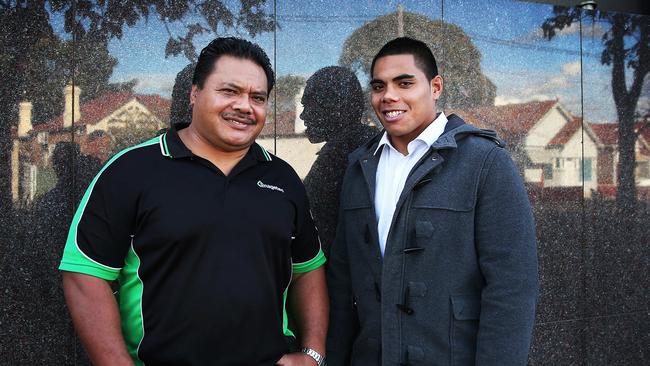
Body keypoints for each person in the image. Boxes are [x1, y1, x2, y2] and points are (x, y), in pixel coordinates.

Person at [59, 37, 328, 366]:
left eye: (257, 97)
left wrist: (313, 354)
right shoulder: (131, 171)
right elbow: (85, 275)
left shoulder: (283, 179)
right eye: (229, 91)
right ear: (195, 93)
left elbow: (307, 270)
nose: (245, 106)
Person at [326, 37, 538, 365]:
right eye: (379, 86)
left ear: (435, 86)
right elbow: (341, 283)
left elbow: (511, 289)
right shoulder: (359, 166)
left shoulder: (484, 162)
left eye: (405, 83)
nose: (389, 96)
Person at [302, 66, 377, 256]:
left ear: (334, 106)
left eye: (308, 106)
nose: (303, 115)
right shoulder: (363, 145)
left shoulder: (342, 154)